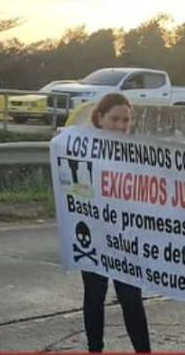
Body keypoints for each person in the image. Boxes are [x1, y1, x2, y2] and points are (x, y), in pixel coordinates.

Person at [82, 93, 150, 353]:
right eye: (115, 119)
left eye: (127, 120)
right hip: (95, 236)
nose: (122, 125)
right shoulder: (81, 147)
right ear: (99, 118)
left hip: (126, 239)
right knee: (94, 299)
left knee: (132, 299)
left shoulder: (138, 152)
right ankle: (95, 349)